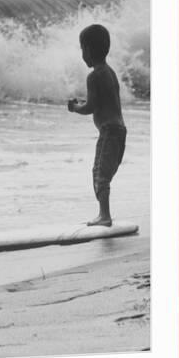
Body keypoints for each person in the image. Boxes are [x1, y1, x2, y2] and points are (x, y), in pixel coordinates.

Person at [68, 24, 127, 227]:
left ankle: (104, 215)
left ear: (89, 50)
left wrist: (75, 107)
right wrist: (83, 102)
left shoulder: (93, 76)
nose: (82, 53)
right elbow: (104, 100)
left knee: (99, 174)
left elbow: (91, 107)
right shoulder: (109, 72)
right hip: (120, 131)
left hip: (109, 131)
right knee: (104, 173)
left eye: (82, 48)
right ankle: (104, 214)